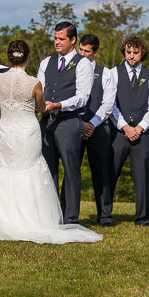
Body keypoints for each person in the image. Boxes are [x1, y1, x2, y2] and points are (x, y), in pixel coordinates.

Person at [0, 40, 103, 244]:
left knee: (5, 170)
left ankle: (1, 220)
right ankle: (31, 221)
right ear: (28, 58)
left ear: (9, 57)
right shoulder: (33, 83)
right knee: (29, 171)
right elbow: (42, 108)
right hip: (26, 132)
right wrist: (44, 107)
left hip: (6, 131)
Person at [37, 22, 93, 225]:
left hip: (69, 122)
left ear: (72, 40)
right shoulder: (46, 62)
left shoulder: (83, 64)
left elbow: (82, 97)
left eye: (61, 39)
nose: (57, 42)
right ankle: (50, 216)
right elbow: (39, 90)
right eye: (55, 38)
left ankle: (70, 218)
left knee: (70, 171)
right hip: (47, 123)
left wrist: (58, 105)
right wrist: (38, 104)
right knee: (47, 170)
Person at [108, 35, 149, 226]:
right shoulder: (113, 73)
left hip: (142, 134)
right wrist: (125, 126)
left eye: (135, 52)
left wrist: (139, 128)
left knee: (143, 178)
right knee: (110, 174)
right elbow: (110, 104)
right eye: (128, 52)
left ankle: (142, 218)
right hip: (118, 133)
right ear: (124, 51)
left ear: (142, 53)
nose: (131, 56)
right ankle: (105, 216)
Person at [76, 34, 115, 226]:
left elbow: (108, 103)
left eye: (87, 51)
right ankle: (68, 214)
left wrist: (91, 124)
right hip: (74, 125)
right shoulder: (70, 69)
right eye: (80, 50)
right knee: (72, 171)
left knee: (101, 172)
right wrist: (80, 123)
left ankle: (105, 216)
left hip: (98, 128)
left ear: (96, 52)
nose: (82, 54)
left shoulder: (105, 73)